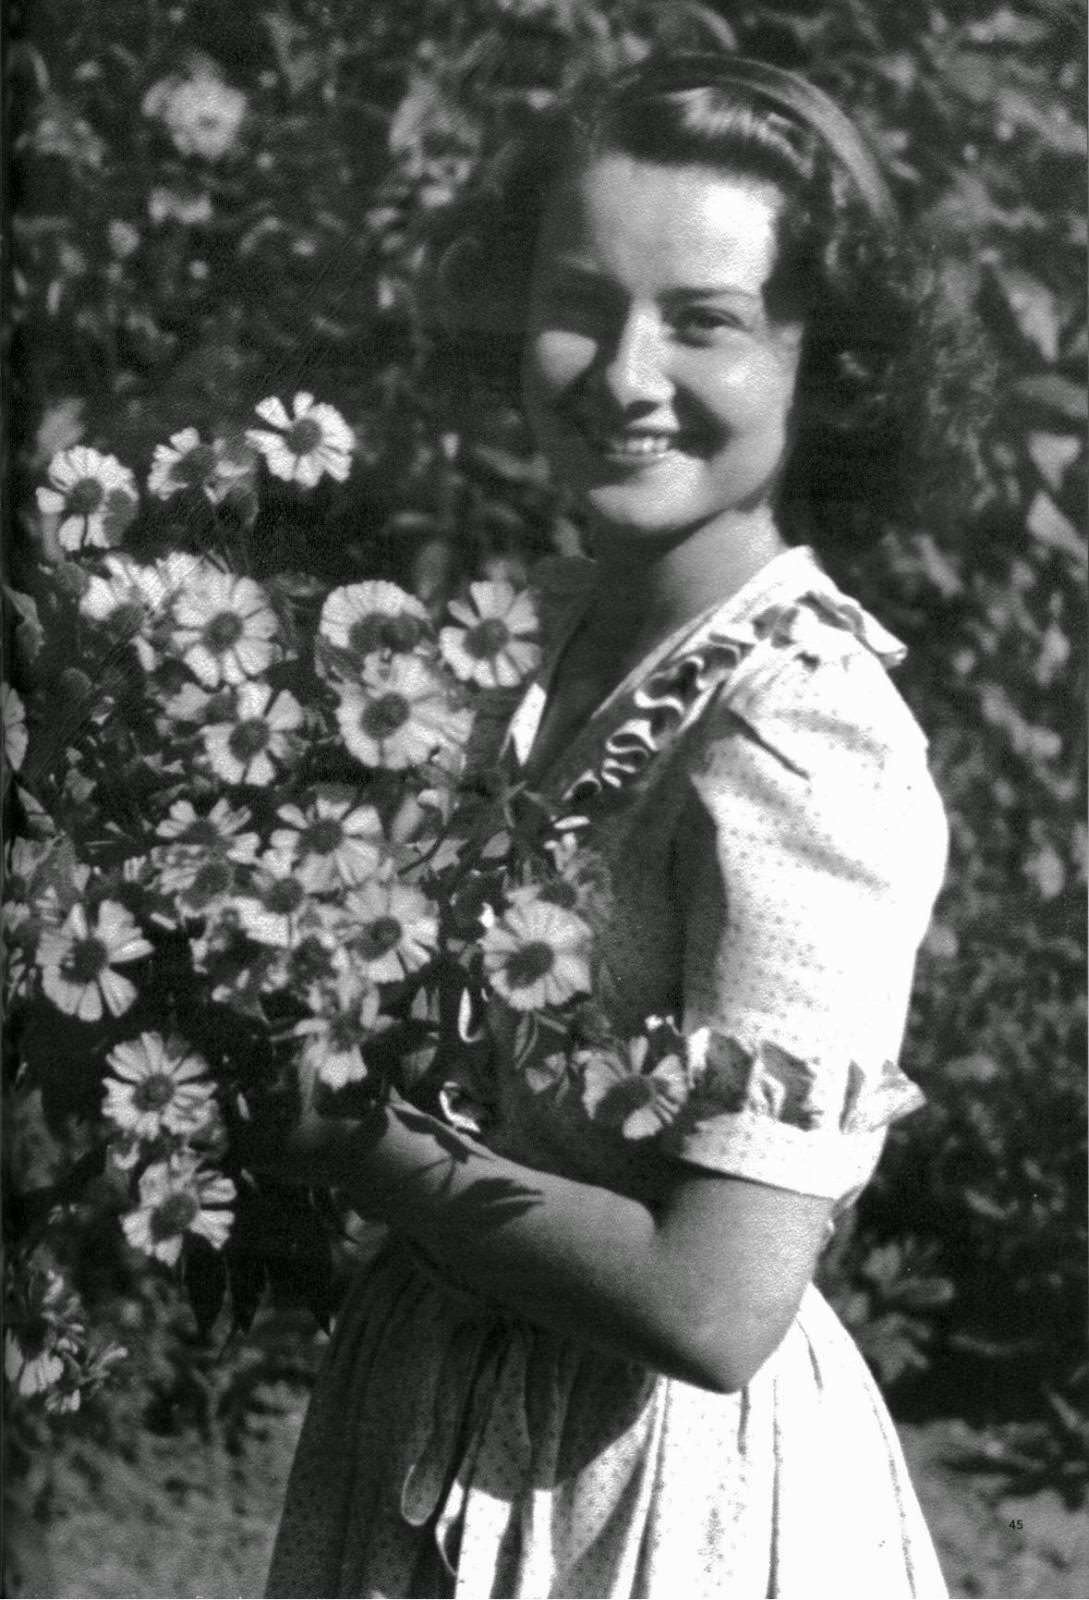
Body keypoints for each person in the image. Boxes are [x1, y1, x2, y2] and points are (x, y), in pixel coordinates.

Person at [262, 52, 981, 1598]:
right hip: (435, 1404)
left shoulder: (803, 734)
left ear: (824, 360)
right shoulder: (546, 631)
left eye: (705, 320)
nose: (622, 373)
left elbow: (716, 1306)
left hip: (644, 1492)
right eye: (583, 301)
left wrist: (362, 1147)